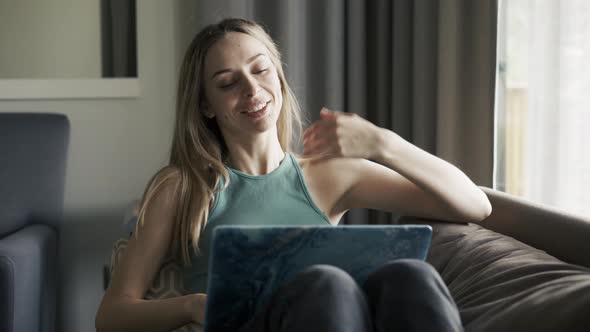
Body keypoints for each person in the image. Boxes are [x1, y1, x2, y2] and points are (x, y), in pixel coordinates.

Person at [95, 17, 492, 332]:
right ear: (206, 106)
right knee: (328, 283)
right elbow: (112, 315)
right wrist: (192, 305)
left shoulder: (331, 176)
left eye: (261, 70)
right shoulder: (182, 187)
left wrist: (383, 144)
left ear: (279, 77)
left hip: (337, 317)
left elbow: (474, 204)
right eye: (229, 83)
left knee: (410, 276)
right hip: (250, 321)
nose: (252, 90)